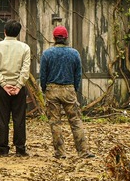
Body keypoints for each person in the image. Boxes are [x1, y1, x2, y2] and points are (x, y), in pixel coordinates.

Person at [39, 26, 94, 159]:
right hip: (69, 88)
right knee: (75, 121)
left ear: (54, 38)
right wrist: (74, 88)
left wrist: (44, 88)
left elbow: (43, 75)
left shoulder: (47, 54)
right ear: (66, 38)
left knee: (55, 122)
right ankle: (83, 151)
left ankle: (60, 152)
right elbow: (78, 74)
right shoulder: (74, 53)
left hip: (52, 89)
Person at [0, 19, 31, 156]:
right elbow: (25, 70)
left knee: (2, 119)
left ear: (5, 31)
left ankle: (3, 148)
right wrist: (18, 85)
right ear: (18, 33)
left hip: (2, 88)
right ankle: (20, 148)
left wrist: (3, 84)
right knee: (19, 119)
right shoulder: (25, 48)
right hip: (18, 88)